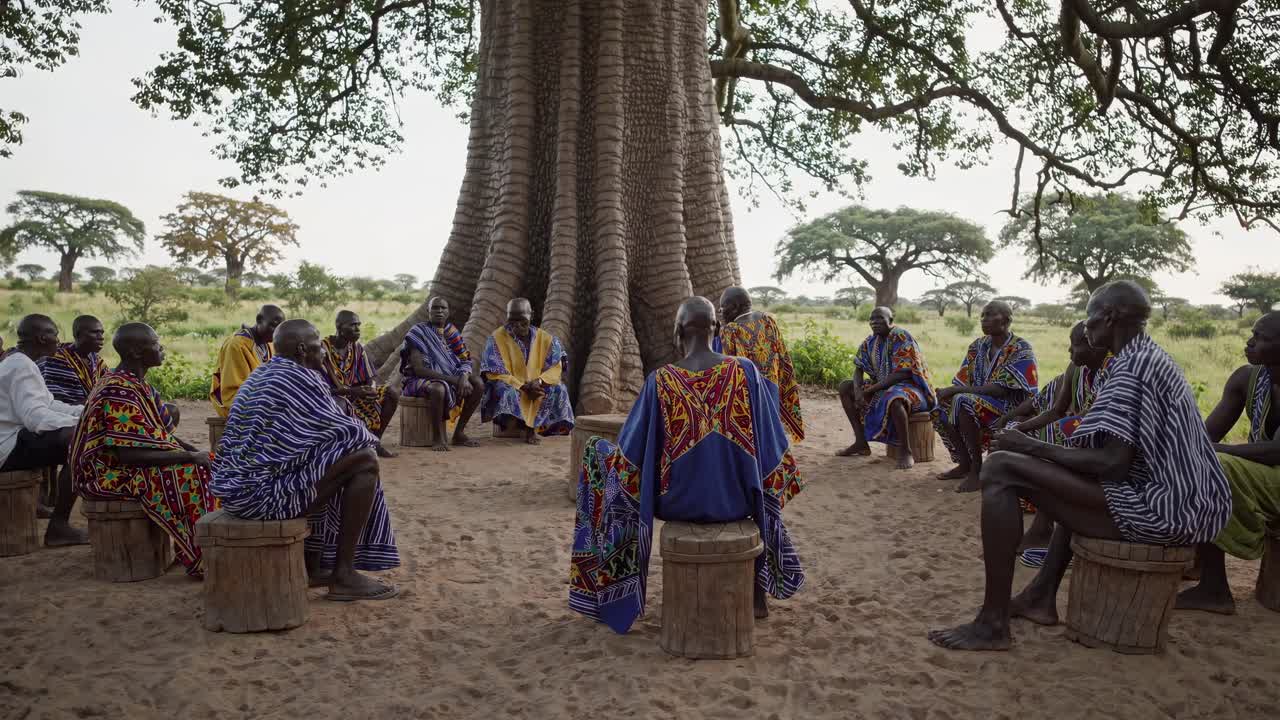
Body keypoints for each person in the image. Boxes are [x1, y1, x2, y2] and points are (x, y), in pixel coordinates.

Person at [928, 281, 1232, 651]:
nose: (1085, 329)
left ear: (1109, 317)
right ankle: (1040, 595)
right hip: (1179, 503)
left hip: (1163, 512)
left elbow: (1111, 464)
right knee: (1059, 478)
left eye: (1089, 320)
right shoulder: (1147, 358)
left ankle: (992, 623)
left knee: (1002, 469)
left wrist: (1030, 446)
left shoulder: (1132, 369)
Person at [569, 296, 804, 633]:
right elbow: (773, 448)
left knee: (596, 455)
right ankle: (756, 589)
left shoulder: (660, 381)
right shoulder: (745, 371)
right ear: (718, 328)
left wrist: (599, 454)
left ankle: (607, 592)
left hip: (677, 504)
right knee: (759, 483)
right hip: (738, 502)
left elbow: (630, 458)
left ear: (677, 332)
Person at [211, 319, 399, 601]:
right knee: (365, 461)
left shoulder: (262, 375)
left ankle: (314, 566)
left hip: (236, 492)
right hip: (258, 499)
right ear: (302, 349)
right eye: (317, 348)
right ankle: (344, 575)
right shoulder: (301, 378)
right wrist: (370, 439)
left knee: (323, 462)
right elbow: (349, 431)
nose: (323, 354)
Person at [70, 323, 217, 576]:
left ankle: (206, 548)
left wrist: (198, 452)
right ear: (137, 352)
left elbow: (162, 437)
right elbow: (128, 455)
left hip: (127, 465)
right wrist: (192, 457)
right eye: (156, 344)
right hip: (107, 475)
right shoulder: (118, 390)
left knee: (213, 464)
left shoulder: (139, 386)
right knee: (195, 475)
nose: (162, 348)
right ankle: (201, 558)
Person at [1176, 311, 1280, 615]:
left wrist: (1214, 450)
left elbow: (1277, 452)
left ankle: (1214, 589)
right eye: (1253, 334)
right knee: (1198, 462)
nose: (1249, 343)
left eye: (1261, 338)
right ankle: (1198, 565)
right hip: (1267, 476)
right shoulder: (1246, 379)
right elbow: (1205, 436)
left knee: (1216, 465)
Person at [1002, 322, 1112, 560]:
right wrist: (1018, 431)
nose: (1070, 352)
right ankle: (1044, 519)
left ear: (1093, 345)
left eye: (1074, 346)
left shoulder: (1113, 368)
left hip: (1108, 438)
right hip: (1077, 430)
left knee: (1058, 432)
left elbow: (1094, 417)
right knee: (1034, 432)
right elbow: (1056, 411)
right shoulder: (1076, 368)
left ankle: (1043, 526)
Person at [0, 314, 88, 546]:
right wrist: (82, 426)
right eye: (55, 335)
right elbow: (34, 417)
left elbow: (48, 404)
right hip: (6, 448)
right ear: (41, 338)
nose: (58, 341)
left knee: (78, 434)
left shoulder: (23, 362)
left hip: (13, 441)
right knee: (78, 441)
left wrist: (86, 412)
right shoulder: (21, 366)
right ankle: (59, 527)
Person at [934, 300, 1038, 492]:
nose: (984, 319)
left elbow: (1001, 390)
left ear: (1006, 320)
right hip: (981, 402)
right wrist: (947, 391)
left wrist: (956, 391)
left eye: (990, 315)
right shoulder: (978, 346)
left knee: (961, 400)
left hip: (1012, 408)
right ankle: (965, 463)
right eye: (982, 315)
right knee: (940, 405)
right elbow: (963, 380)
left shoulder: (1021, 349)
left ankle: (977, 470)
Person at [837, 306, 935, 469]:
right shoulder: (870, 342)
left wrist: (867, 391)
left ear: (890, 320)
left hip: (911, 387)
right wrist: (857, 390)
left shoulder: (901, 336)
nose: (874, 322)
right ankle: (861, 442)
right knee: (845, 387)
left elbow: (902, 374)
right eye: (872, 319)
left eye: (880, 318)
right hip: (882, 387)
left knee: (895, 398)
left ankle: (906, 451)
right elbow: (858, 368)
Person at [480, 298, 575, 444]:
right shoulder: (496, 338)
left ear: (532, 315)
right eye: (512, 320)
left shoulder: (546, 339)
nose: (517, 325)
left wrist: (539, 381)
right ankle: (522, 427)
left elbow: (556, 366)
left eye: (522, 320)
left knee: (559, 389)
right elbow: (494, 370)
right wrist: (523, 386)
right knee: (507, 392)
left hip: (538, 385)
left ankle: (539, 428)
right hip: (511, 384)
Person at [716, 286, 805, 442]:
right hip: (772, 387)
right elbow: (783, 355)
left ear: (735, 307)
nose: (721, 312)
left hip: (749, 394)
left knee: (754, 436)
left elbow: (724, 368)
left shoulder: (730, 331)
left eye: (723, 307)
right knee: (771, 429)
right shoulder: (767, 320)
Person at [400, 297, 484, 451]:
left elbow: (465, 359)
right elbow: (419, 369)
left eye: (443, 308)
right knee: (438, 389)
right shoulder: (417, 332)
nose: (439, 311)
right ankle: (437, 437)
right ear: (428, 311)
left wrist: (464, 378)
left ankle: (459, 433)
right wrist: (454, 380)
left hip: (450, 376)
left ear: (448, 312)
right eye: (435, 308)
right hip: (418, 380)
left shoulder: (451, 332)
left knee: (477, 383)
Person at [323, 311, 399, 458]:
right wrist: (354, 391)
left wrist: (371, 388)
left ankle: (375, 441)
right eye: (352, 325)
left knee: (391, 392)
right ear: (339, 326)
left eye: (358, 325)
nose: (357, 329)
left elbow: (370, 376)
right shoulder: (322, 349)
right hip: (333, 397)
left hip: (355, 394)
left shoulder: (356, 348)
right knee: (340, 403)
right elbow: (321, 388)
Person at [209, 305, 285, 418]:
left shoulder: (269, 345)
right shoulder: (236, 345)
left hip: (257, 398)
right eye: (273, 326)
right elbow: (234, 391)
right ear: (259, 320)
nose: (276, 332)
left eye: (279, 328)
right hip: (234, 402)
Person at [36, 315, 107, 405]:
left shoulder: (98, 361)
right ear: (77, 334)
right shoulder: (55, 359)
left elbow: (107, 390)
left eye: (101, 333)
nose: (101, 337)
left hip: (90, 413)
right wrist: (94, 402)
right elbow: (54, 402)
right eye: (94, 332)